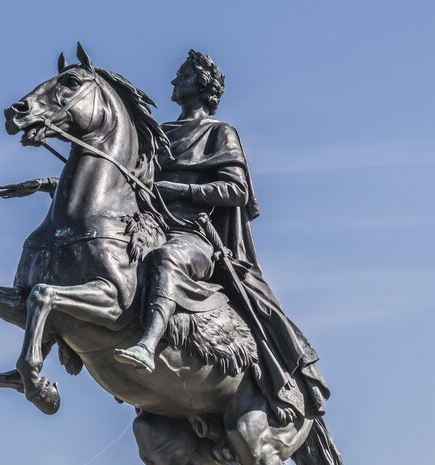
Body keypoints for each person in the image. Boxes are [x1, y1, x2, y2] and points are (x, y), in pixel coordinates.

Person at [113, 50, 329, 420]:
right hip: (150, 227)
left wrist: (179, 190)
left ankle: (148, 343)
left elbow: (236, 191)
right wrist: (52, 185)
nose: (172, 82)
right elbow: (124, 183)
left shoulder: (218, 133)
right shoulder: (159, 134)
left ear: (200, 85)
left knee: (165, 259)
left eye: (180, 76)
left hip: (194, 236)